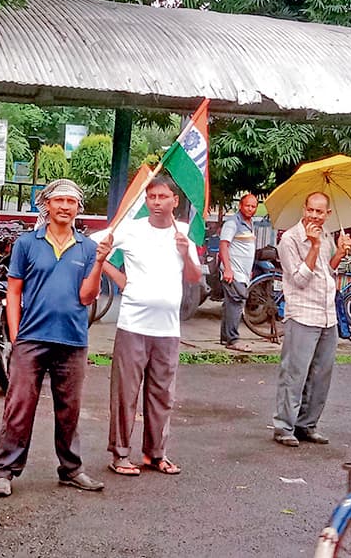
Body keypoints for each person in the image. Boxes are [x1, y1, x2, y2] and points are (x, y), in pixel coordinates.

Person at [0, 179, 112, 497]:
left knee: (69, 409)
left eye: (71, 202)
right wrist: (15, 335)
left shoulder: (87, 248)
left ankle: (71, 469)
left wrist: (100, 262)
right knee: (19, 406)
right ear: (46, 205)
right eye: (59, 200)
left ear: (78, 208)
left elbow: (87, 297)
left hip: (72, 339)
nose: (65, 207)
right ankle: (4, 471)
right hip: (31, 338)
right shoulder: (27, 244)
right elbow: (13, 291)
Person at [102, 175, 201, 477]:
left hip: (167, 330)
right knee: (126, 394)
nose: (157, 202)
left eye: (163, 196)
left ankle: (155, 454)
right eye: (152, 197)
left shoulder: (183, 233)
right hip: (133, 325)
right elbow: (94, 248)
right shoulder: (131, 229)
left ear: (175, 200)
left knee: (162, 395)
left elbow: (194, 277)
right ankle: (120, 454)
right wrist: (121, 280)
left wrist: (185, 253)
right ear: (146, 200)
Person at [271, 192, 351, 447]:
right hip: (303, 314)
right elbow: (299, 279)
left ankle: (307, 424)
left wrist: (339, 253)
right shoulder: (290, 239)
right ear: (303, 209)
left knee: (321, 375)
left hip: (327, 315)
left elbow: (327, 270)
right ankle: (284, 427)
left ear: (328, 214)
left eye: (320, 211)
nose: (314, 216)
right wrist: (314, 246)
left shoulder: (326, 235)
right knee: (294, 374)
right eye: (311, 210)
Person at [219, 194, 259, 352]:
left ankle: (226, 338)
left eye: (253, 206)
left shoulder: (250, 223)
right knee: (236, 303)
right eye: (247, 205)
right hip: (233, 272)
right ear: (240, 206)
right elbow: (223, 245)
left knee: (230, 304)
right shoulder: (232, 223)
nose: (250, 209)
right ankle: (233, 339)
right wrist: (228, 269)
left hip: (243, 273)